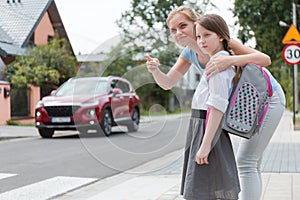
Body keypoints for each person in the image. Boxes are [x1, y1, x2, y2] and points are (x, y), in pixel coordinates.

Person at [145, 6, 286, 200]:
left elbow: (265, 59)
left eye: (183, 25)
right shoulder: (189, 53)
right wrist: (155, 71)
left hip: (268, 98)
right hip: (247, 101)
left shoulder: (221, 45)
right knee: (251, 163)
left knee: (246, 162)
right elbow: (168, 83)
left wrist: (230, 61)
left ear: (196, 23)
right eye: (173, 30)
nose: (178, 33)